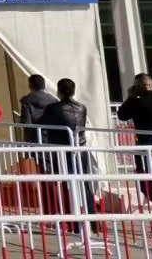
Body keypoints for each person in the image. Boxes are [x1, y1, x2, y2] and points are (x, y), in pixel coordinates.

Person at [38, 79, 93, 226]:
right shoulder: (82, 107)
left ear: (59, 91)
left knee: (65, 185)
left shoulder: (53, 108)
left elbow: (42, 123)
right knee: (84, 183)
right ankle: (92, 219)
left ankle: (71, 220)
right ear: (73, 91)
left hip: (62, 151)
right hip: (80, 149)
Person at [118, 73, 152, 206]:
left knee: (144, 182)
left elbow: (122, 115)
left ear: (137, 87)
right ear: (151, 85)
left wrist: (131, 97)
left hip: (147, 147)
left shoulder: (138, 102)